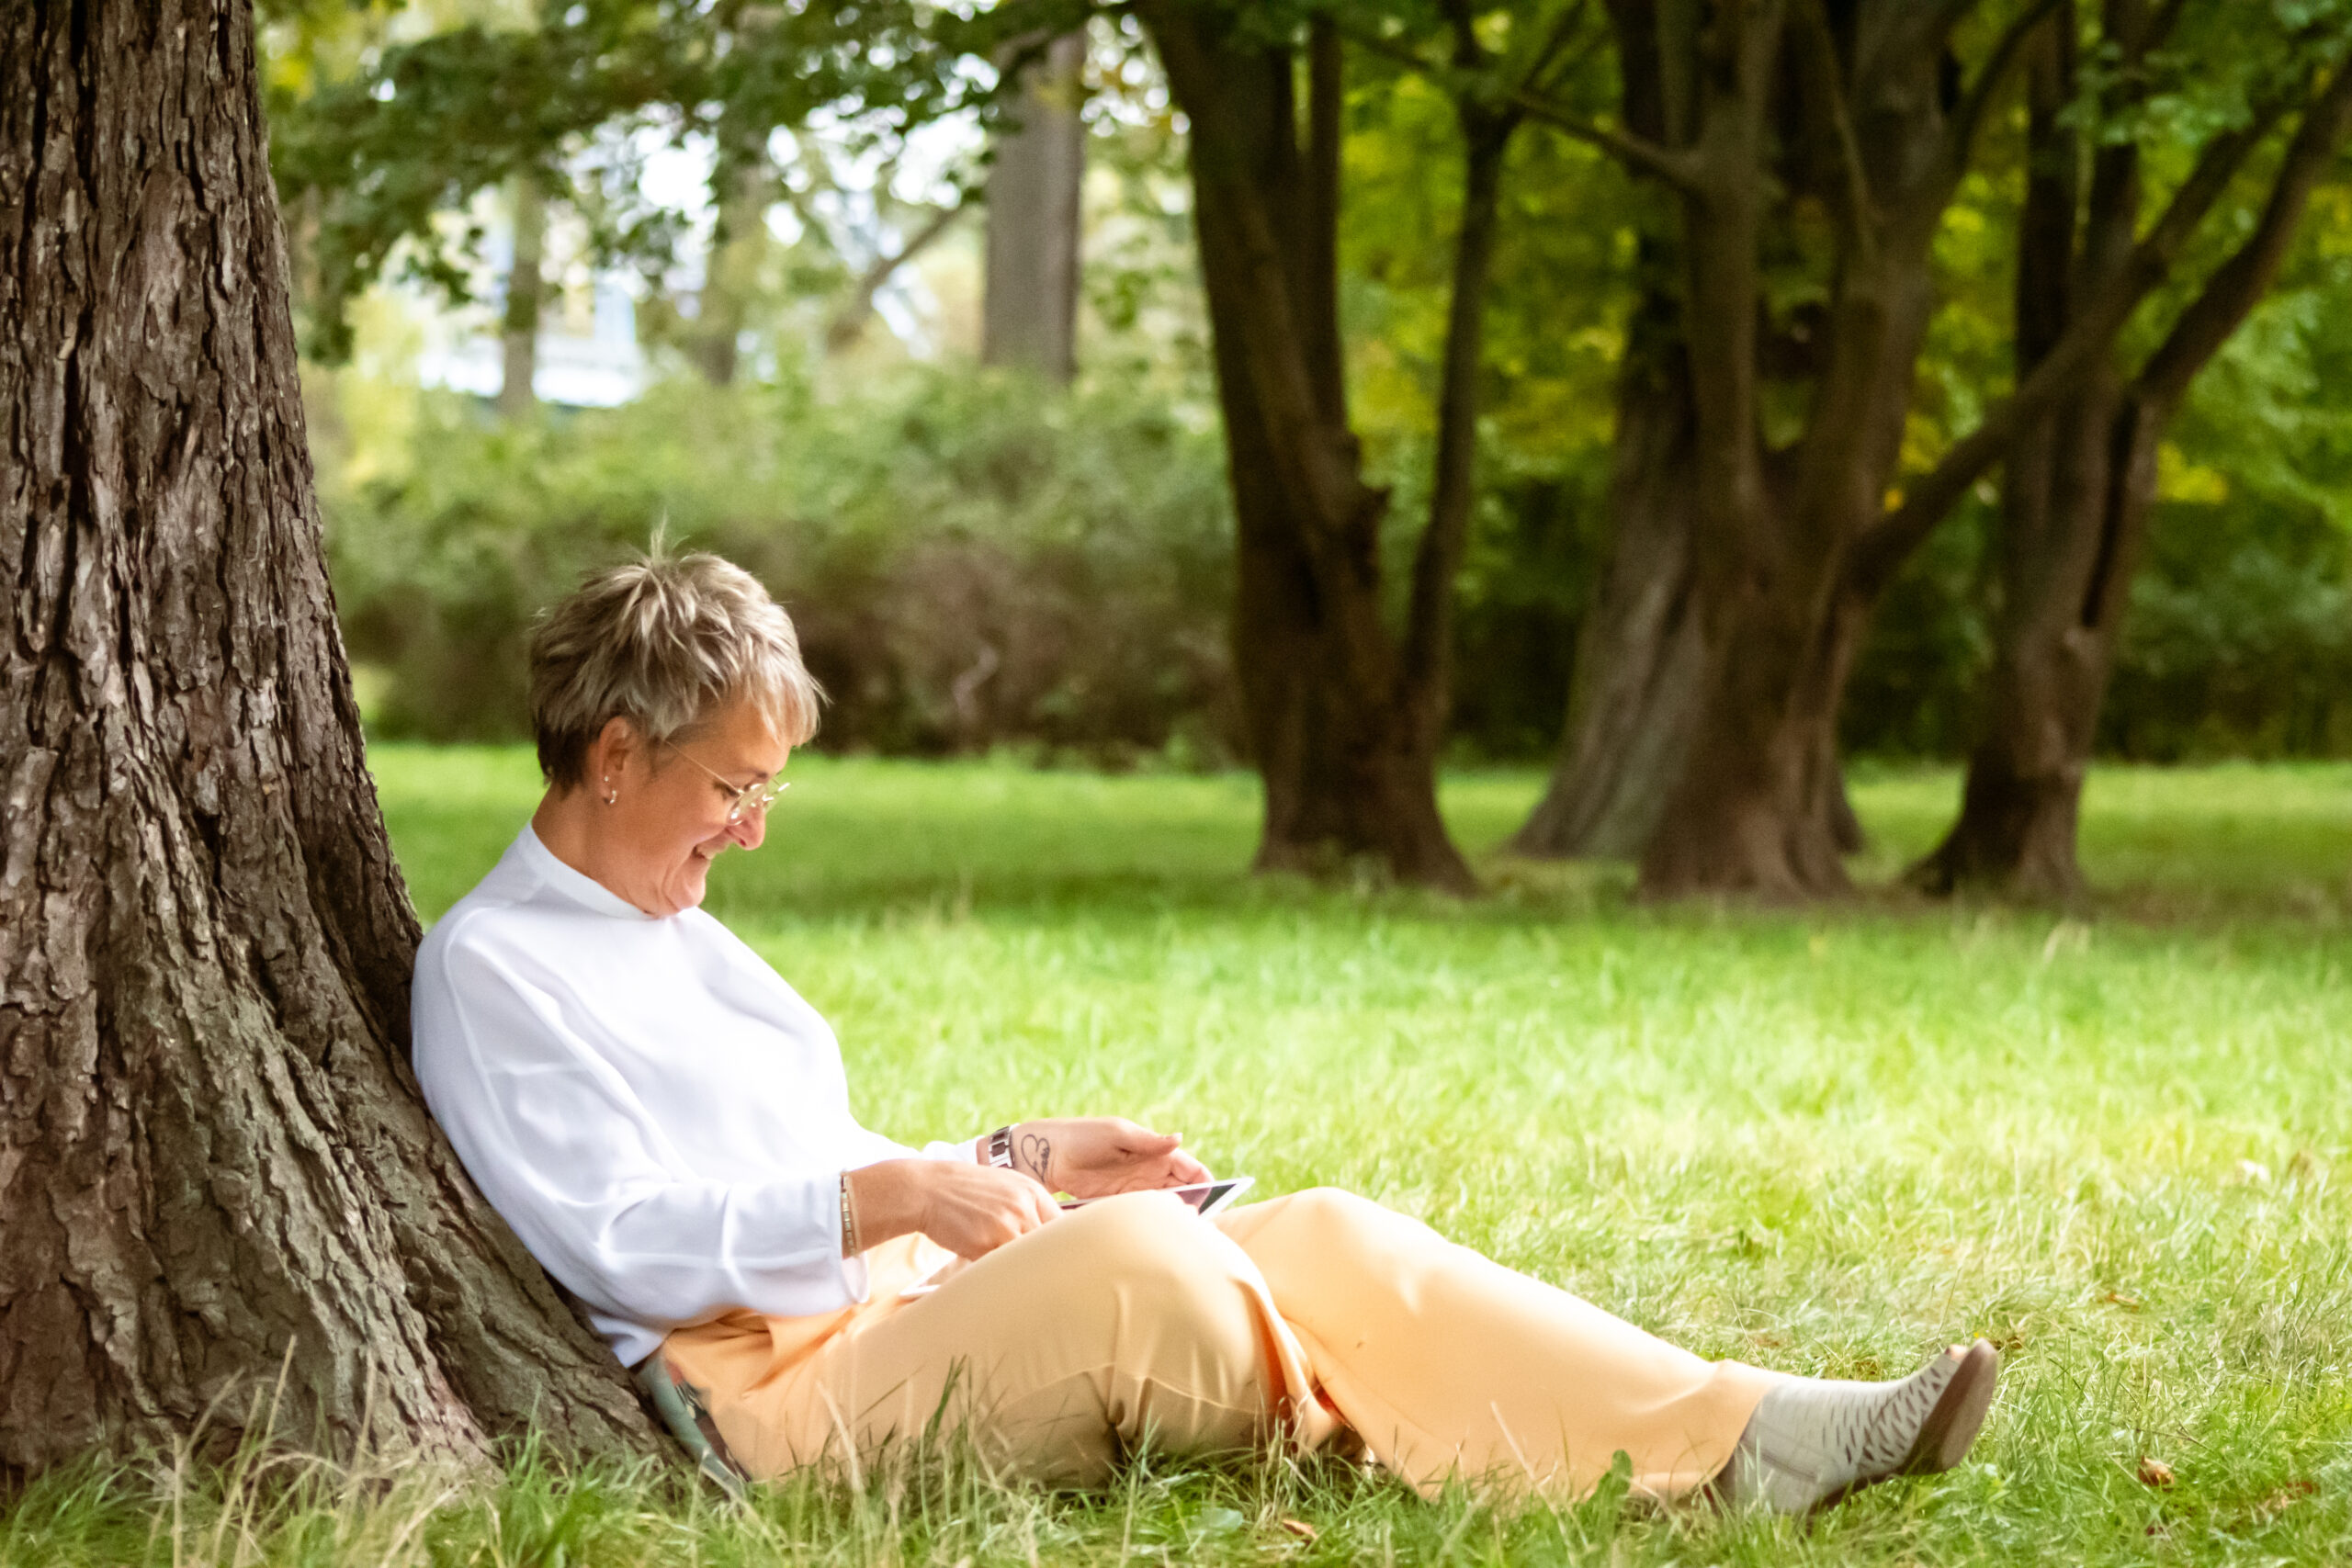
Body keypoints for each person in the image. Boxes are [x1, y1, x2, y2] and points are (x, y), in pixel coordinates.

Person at [411, 549, 1999, 1513]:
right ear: (616, 755)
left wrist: (1009, 1162)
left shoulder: (676, 930)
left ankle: (1749, 1430)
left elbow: (812, 1167)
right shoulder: (498, 971)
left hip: (875, 1311)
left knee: (1302, 1226)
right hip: (763, 1401)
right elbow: (615, 1241)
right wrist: (901, 1202)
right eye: (732, 788)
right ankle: (1502, 1429)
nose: (752, 829)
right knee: (1159, 1273)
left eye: (768, 791)